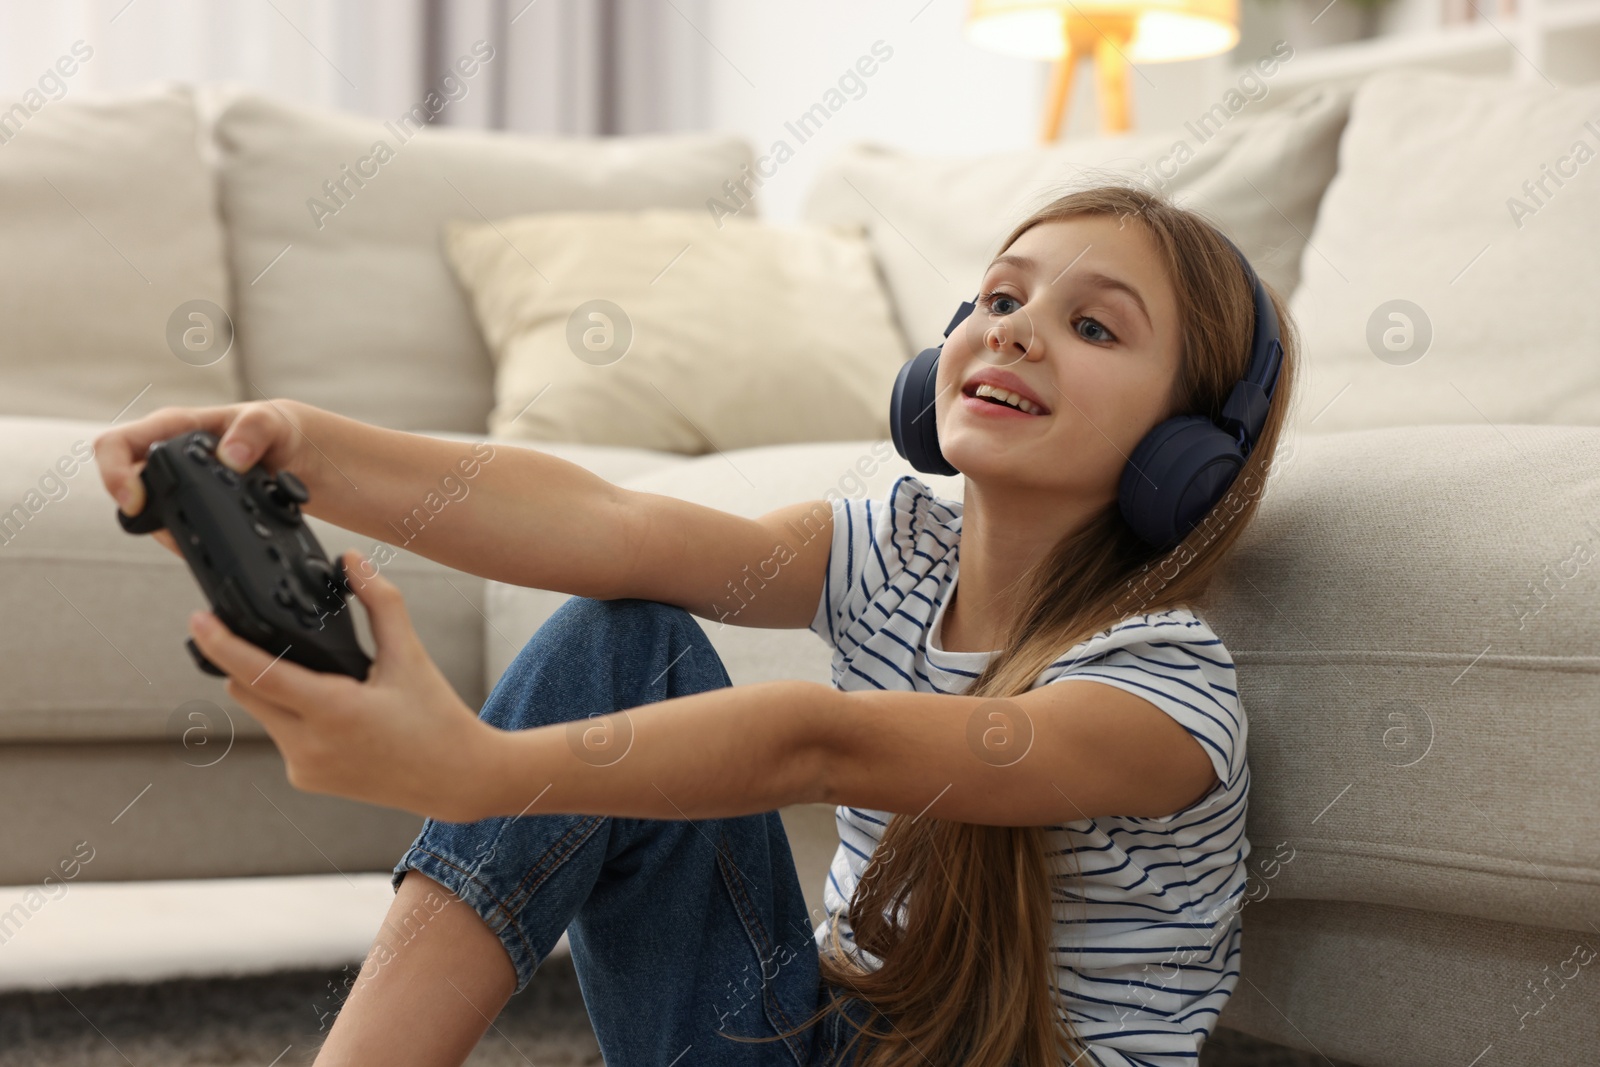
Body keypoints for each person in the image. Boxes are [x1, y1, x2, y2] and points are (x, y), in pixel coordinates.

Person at [95, 183, 1297, 1067]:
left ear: (1183, 453)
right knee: (621, 635)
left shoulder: (1159, 690)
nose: (1013, 328)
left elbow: (822, 743)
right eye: (997, 295)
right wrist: (309, 448)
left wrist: (486, 770)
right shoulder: (892, 549)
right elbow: (614, 525)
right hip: (820, 1040)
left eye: (1094, 326)